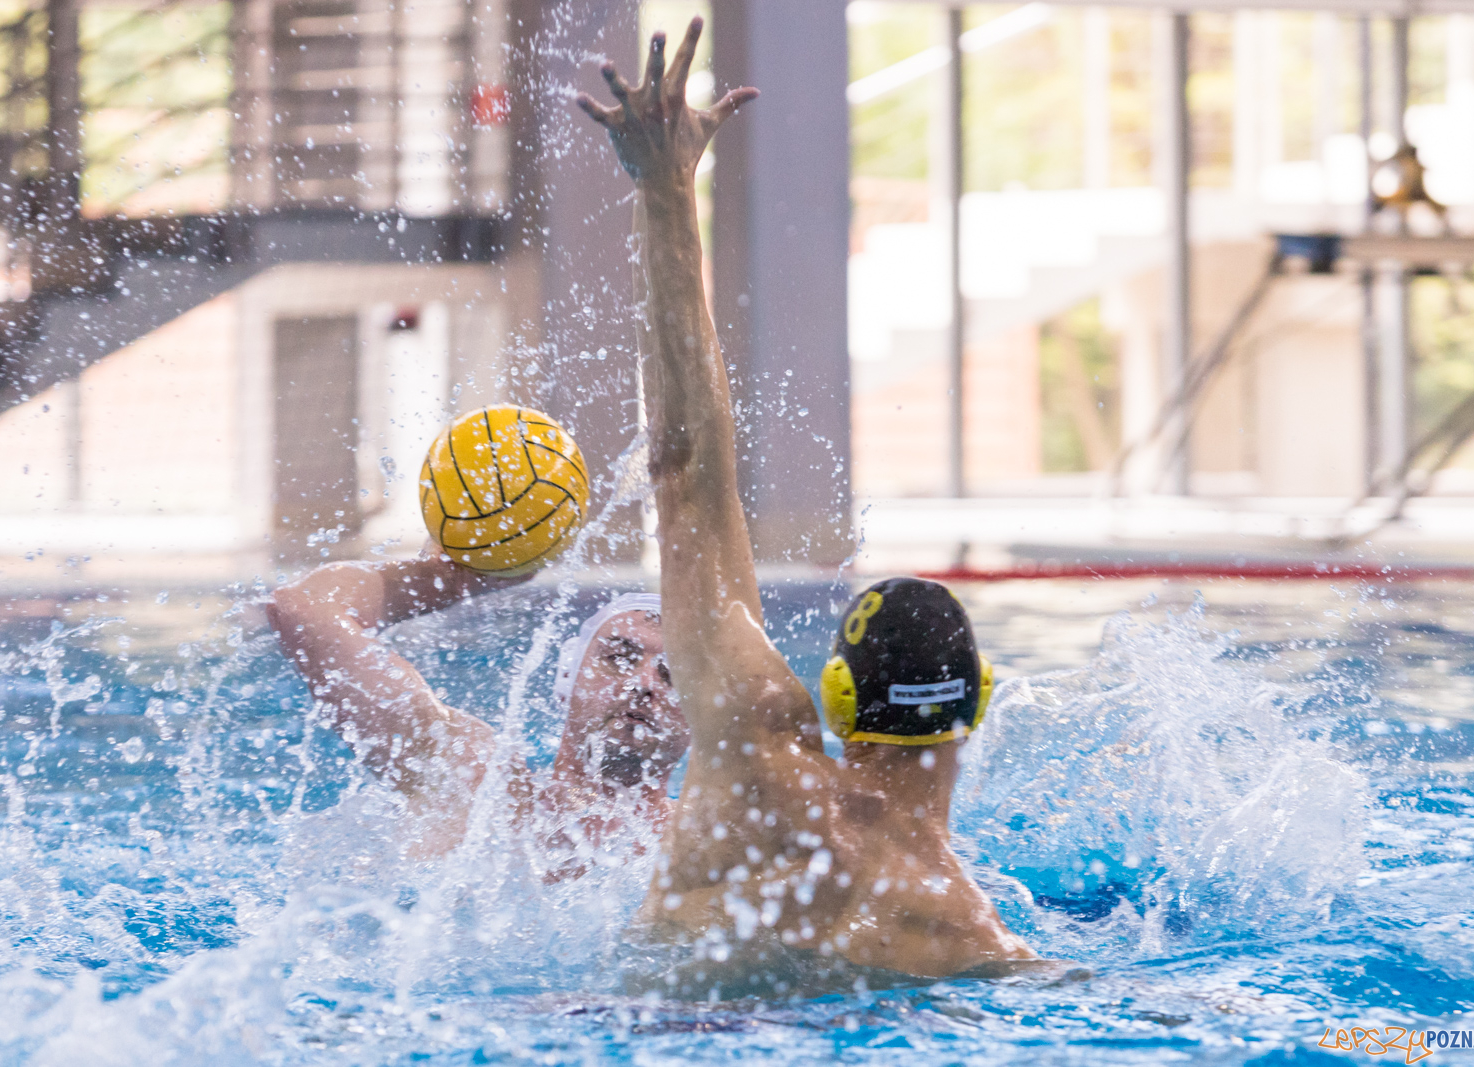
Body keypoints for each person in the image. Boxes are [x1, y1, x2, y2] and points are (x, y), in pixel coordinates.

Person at [576, 18, 1045, 986]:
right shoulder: (974, 937)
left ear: (835, 695)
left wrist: (664, 193)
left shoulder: (757, 749)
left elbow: (684, 474)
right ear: (979, 702)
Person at [267, 551, 689, 864]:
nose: (643, 684)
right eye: (618, 658)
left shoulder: (706, 840)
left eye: (675, 675)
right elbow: (303, 607)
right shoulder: (483, 786)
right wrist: (448, 578)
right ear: (568, 677)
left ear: (707, 711)